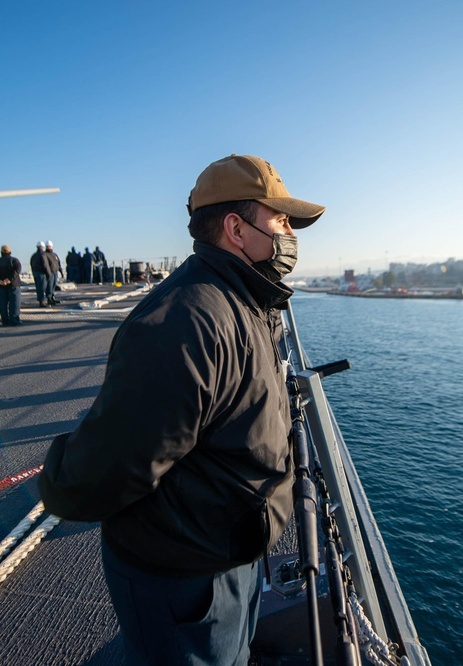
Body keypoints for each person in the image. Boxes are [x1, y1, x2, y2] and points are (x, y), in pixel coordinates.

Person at [39, 154, 324, 665]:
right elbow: (108, 466)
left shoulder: (243, 298)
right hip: (186, 577)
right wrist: (57, 478)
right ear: (236, 229)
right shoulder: (187, 321)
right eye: (280, 220)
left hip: (225, 556)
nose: (288, 234)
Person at [0, 244, 22, 326]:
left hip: (1, 285)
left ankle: (4, 320)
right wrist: (9, 279)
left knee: (2, 304)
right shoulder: (14, 260)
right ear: (10, 252)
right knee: (15, 303)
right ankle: (14, 320)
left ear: (1, 252)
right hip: (13, 284)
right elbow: (17, 270)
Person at [30, 241, 49, 307]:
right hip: (42, 273)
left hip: (35, 273)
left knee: (38, 288)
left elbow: (31, 264)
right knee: (42, 288)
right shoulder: (43, 255)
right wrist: (48, 273)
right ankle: (43, 302)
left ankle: (40, 300)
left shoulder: (34, 255)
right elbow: (45, 265)